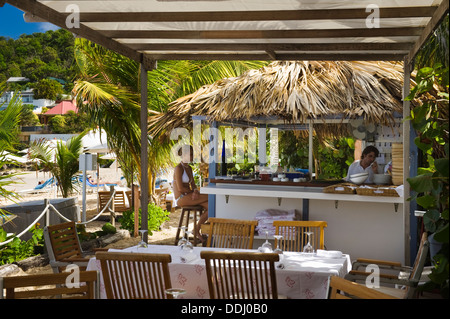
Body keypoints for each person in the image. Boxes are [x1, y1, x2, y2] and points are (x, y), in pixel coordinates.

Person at [173, 145, 208, 242]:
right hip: (181, 198)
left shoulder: (189, 168)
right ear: (184, 154)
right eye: (191, 154)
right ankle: (197, 230)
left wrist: (195, 191)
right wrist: (193, 192)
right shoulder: (178, 168)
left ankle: (196, 229)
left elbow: (193, 184)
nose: (193, 156)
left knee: (211, 207)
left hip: (190, 196)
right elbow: (180, 188)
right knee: (210, 196)